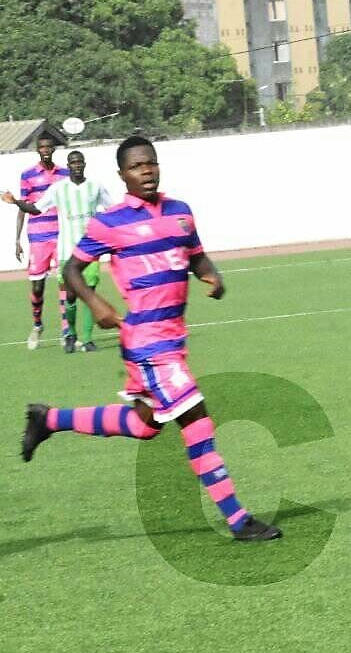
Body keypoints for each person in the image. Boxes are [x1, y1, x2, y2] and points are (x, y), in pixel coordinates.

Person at [19, 136, 282, 543]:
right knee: (196, 417)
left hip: (173, 339)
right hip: (146, 343)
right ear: (122, 174)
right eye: (137, 166)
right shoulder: (112, 221)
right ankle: (238, 519)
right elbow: (72, 269)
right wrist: (94, 302)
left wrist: (211, 274)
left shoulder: (180, 212)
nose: (147, 171)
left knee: (144, 425)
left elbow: (195, 254)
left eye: (151, 164)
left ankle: (48, 419)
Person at [2, 150, 114, 353]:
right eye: (73, 163)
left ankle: (87, 339)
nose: (77, 165)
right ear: (69, 166)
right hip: (66, 251)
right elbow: (36, 208)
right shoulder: (58, 188)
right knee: (70, 296)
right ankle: (70, 333)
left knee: (90, 293)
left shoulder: (96, 187)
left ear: (84, 164)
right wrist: (16, 202)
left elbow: (112, 210)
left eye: (80, 162)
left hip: (90, 249)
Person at [14, 133, 70, 349]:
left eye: (49, 147)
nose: (45, 150)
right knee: (37, 286)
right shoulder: (27, 175)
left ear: (53, 149)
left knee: (65, 282)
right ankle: (37, 325)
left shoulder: (65, 174)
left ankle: (67, 330)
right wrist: (17, 239)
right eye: (42, 147)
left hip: (62, 234)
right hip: (37, 236)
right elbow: (22, 207)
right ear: (38, 150)